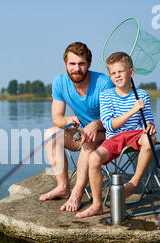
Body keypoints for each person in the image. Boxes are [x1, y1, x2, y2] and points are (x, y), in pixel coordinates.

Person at [76, 51, 156, 218]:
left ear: (131, 73)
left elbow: (148, 119)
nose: (116, 76)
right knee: (94, 158)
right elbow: (109, 124)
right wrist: (132, 110)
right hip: (115, 136)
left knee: (150, 139)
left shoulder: (142, 95)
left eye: (120, 71)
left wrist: (150, 126)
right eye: (113, 73)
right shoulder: (106, 96)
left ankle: (134, 182)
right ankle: (97, 205)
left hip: (136, 134)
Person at [39, 42, 114, 212]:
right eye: (72, 64)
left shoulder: (104, 83)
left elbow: (115, 118)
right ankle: (63, 187)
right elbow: (57, 118)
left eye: (81, 64)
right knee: (51, 133)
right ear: (65, 64)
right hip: (82, 131)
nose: (76, 68)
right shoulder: (60, 82)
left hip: (108, 132)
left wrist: (95, 124)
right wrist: (67, 120)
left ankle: (77, 193)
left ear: (88, 64)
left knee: (89, 139)